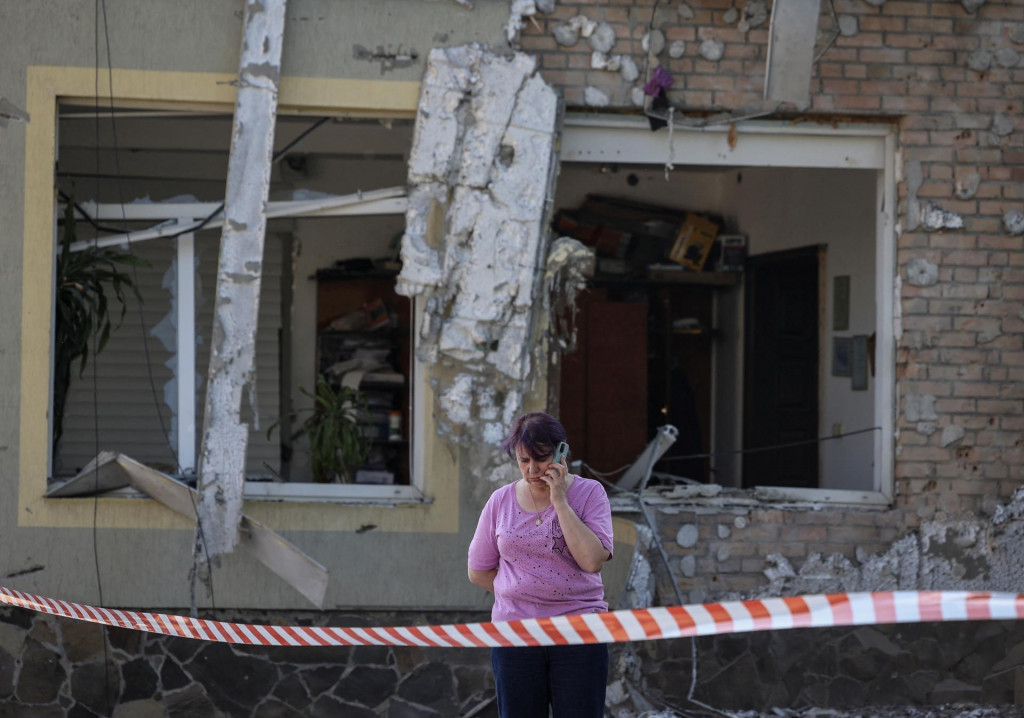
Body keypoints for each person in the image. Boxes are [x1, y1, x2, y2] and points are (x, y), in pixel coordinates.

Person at [468, 411, 614, 718]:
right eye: (523, 461)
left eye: (542, 458)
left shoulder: (590, 494)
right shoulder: (500, 500)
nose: (532, 470)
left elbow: (591, 561)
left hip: (579, 631)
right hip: (515, 633)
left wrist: (559, 500)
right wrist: (519, 590)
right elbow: (478, 570)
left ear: (562, 452)